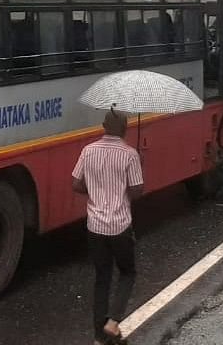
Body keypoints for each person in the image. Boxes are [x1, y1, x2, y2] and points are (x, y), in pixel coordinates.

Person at [72, 110, 144, 345]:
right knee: (128, 272)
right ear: (125, 128)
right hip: (120, 225)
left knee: (102, 278)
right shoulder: (130, 154)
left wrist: (93, 192)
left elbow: (76, 183)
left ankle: (98, 337)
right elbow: (136, 191)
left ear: (104, 126)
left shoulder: (88, 150)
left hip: (95, 226)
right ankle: (113, 322)